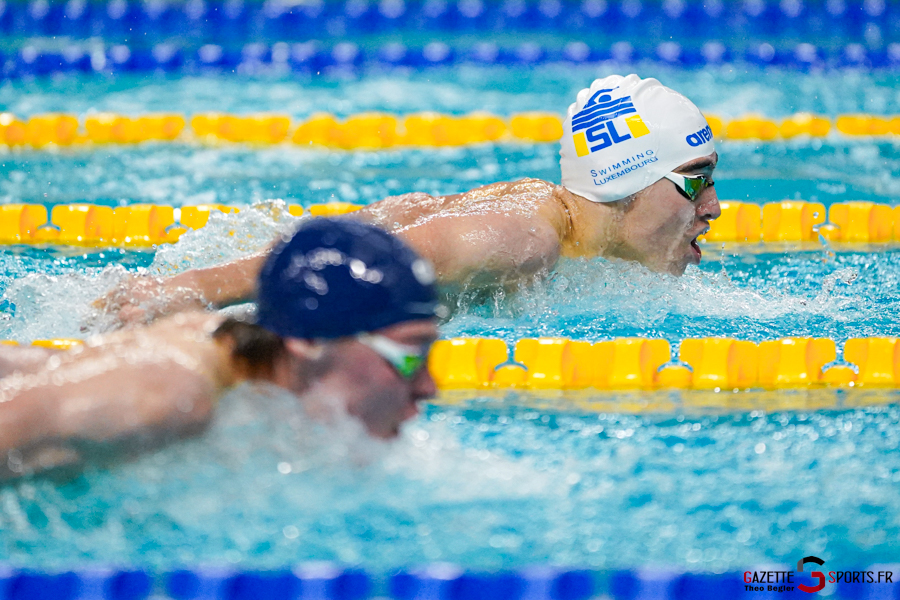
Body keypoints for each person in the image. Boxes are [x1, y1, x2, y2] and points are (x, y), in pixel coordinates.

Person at [99, 73, 720, 325]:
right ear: (624, 179)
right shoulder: (519, 240)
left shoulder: (551, 214)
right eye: (695, 181)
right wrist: (187, 293)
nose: (713, 206)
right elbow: (339, 261)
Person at [0, 219, 440, 478]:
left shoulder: (237, 360)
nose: (428, 386)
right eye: (409, 356)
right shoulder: (166, 394)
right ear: (307, 341)